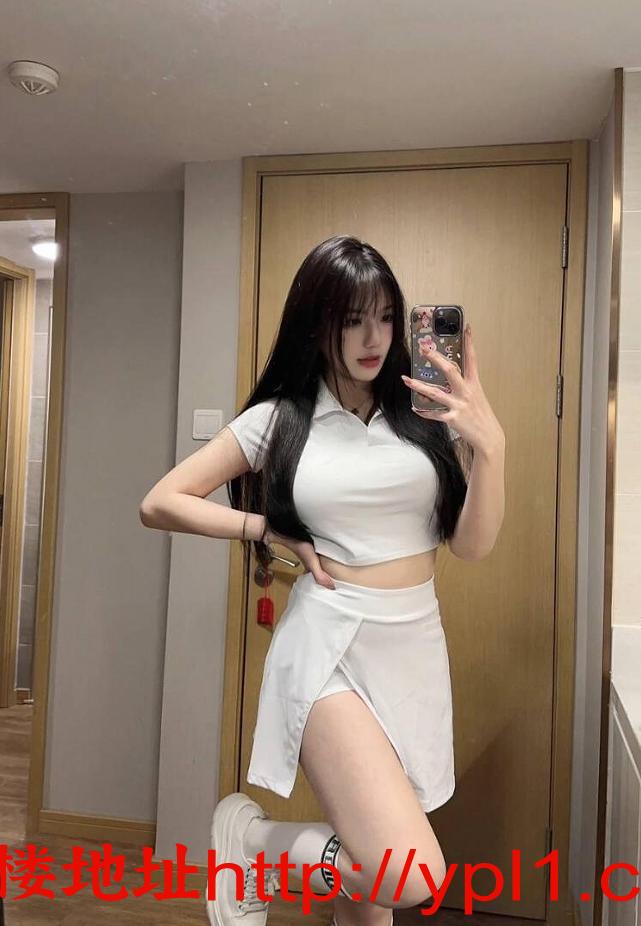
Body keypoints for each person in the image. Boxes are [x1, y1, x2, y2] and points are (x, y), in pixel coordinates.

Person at [139, 235, 506, 926]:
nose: (374, 338)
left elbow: (472, 546)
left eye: (386, 318)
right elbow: (161, 502)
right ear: (317, 324)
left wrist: (490, 448)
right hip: (327, 645)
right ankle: (251, 844)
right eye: (352, 320)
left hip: (413, 648)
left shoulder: (426, 415)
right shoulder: (280, 419)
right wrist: (267, 529)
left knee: (371, 905)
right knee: (408, 873)